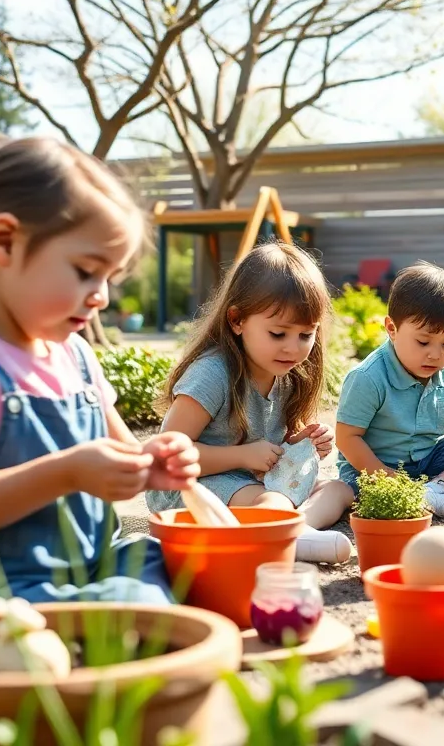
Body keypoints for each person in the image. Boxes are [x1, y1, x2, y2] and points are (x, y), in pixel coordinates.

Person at [0, 138, 200, 624]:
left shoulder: (73, 354)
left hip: (83, 569)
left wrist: (152, 463)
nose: (101, 296)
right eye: (86, 272)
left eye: (110, 278)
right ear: (5, 242)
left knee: (180, 566)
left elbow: (124, 452)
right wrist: (67, 472)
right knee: (134, 611)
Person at [147, 242, 354, 564]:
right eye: (278, 333)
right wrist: (241, 455)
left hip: (251, 482)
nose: (293, 348)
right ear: (237, 320)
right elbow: (165, 459)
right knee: (271, 501)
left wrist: (301, 442)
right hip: (192, 488)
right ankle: (284, 533)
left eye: (305, 335)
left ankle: (290, 534)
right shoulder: (212, 375)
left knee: (339, 490)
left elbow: (272, 444)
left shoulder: (288, 374)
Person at [335, 262, 444, 520]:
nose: (435, 354)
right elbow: (347, 438)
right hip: (373, 467)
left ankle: (431, 493)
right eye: (423, 341)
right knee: (350, 491)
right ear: (392, 329)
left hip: (427, 465)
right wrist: (389, 479)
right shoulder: (368, 377)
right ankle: (433, 500)